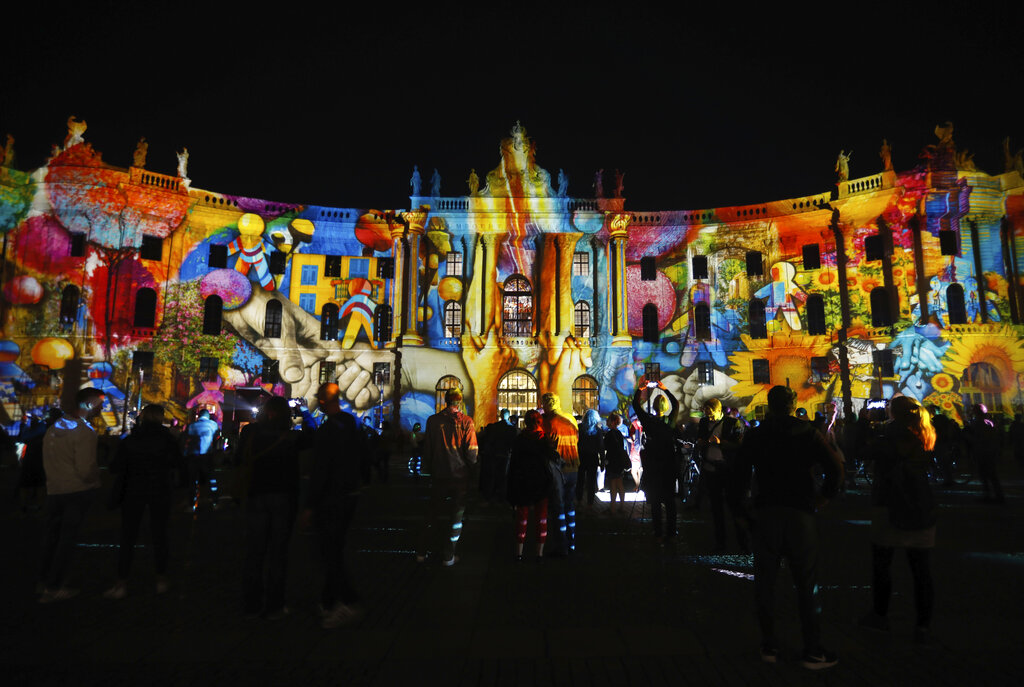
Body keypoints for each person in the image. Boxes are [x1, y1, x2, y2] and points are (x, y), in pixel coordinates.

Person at [733, 385, 843, 670]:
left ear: (769, 405)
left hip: (767, 511)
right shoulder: (808, 433)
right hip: (800, 511)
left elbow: (739, 475)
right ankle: (813, 649)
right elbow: (834, 468)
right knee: (807, 584)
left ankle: (769, 644)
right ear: (793, 404)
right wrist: (824, 497)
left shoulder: (757, 435)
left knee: (765, 583)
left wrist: (742, 512)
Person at [859, 396, 938, 644]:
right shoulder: (926, 432)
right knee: (921, 570)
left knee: (882, 564)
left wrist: (865, 424)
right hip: (920, 505)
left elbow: (862, 451)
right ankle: (923, 624)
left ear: (894, 413)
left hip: (889, 503)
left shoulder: (890, 436)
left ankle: (880, 615)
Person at [238, 396, 312, 619]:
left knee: (254, 552)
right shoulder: (292, 437)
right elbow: (313, 435)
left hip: (256, 494)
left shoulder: (250, 432)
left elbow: (239, 459)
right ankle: (275, 605)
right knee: (278, 554)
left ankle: (251, 604)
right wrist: (305, 411)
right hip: (284, 496)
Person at [302, 383, 365, 628]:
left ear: (324, 401)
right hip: (350, 494)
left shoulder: (328, 431)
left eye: (319, 397)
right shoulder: (351, 423)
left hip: (331, 498)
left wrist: (309, 505)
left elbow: (320, 471)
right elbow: (364, 454)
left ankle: (348, 602)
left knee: (330, 553)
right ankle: (328, 601)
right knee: (334, 550)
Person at [103, 404, 182, 600]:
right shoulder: (168, 441)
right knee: (160, 535)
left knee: (128, 536)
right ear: (161, 418)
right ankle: (161, 580)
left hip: (133, 490)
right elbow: (178, 463)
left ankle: (121, 583)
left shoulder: (131, 439)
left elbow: (115, 466)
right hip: (159, 490)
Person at [38, 388, 105, 602]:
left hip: (54, 489)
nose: (102, 407)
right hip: (76, 491)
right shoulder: (84, 432)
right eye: (100, 403)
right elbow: (86, 469)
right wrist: (94, 480)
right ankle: (54, 586)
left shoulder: (54, 428)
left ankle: (45, 581)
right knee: (66, 541)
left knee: (52, 538)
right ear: (89, 404)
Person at [417, 388, 478, 566]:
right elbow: (472, 452)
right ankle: (448, 554)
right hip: (459, 475)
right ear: (459, 402)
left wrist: (426, 471)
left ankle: (422, 551)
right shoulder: (466, 422)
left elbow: (427, 449)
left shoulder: (433, 421)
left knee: (432, 512)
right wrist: (472, 469)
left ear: (446, 400)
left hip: (438, 474)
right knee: (456, 516)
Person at [696, 398, 747, 551]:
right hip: (711, 470)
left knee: (735, 507)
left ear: (719, 411)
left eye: (711, 414)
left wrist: (720, 443)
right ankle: (720, 543)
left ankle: (743, 542)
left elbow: (739, 446)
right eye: (706, 414)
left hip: (728, 470)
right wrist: (701, 443)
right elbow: (701, 437)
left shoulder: (733, 423)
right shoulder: (704, 423)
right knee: (716, 508)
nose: (709, 417)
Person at [633, 377, 680, 542]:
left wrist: (640, 389)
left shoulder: (649, 421)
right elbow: (676, 404)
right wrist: (665, 388)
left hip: (653, 465)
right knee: (669, 501)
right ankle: (672, 531)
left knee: (655, 500)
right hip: (668, 464)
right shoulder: (670, 421)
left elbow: (635, 406)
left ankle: (658, 531)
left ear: (653, 406)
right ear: (665, 407)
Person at [507, 410, 554, 561]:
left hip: (522, 481)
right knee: (542, 518)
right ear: (540, 423)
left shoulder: (520, 439)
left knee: (522, 517)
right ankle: (539, 553)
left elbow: (513, 463)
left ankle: (519, 552)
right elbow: (552, 459)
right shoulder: (544, 439)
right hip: (541, 481)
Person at [542, 393, 579, 554]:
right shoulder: (570, 419)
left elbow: (545, 446)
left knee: (558, 507)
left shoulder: (549, 422)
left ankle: (561, 545)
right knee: (570, 506)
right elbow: (577, 439)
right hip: (574, 467)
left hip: (559, 470)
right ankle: (572, 542)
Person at [966, 403, 1005, 503]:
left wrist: (968, 437)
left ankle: (990, 495)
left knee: (985, 475)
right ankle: (997, 494)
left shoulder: (978, 423)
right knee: (992, 475)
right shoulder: (989, 422)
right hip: (990, 451)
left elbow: (979, 439)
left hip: (982, 452)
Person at [479, 408, 516, 504]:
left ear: (500, 415)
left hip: (495, 455)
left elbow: (489, 440)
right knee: (504, 477)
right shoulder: (512, 428)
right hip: (506, 455)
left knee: (493, 476)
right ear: (508, 415)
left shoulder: (495, 427)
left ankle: (491, 496)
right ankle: (502, 497)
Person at [185, 409, 220, 509]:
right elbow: (216, 438)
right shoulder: (213, 425)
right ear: (208, 416)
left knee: (193, 480)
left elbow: (186, 441)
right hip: (207, 455)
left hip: (193, 456)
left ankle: (191, 504)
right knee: (211, 479)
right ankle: (215, 502)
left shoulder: (191, 426)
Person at [603, 413, 630, 515]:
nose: (607, 422)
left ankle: (613, 507)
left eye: (609, 420)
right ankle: (622, 506)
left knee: (612, 484)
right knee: (620, 483)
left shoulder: (609, 434)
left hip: (612, 461)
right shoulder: (619, 433)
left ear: (613, 422)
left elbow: (605, 447)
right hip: (619, 462)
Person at [576, 409, 604, 508]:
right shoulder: (598, 431)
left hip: (581, 456)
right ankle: (590, 504)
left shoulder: (579, 428)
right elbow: (601, 447)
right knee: (591, 482)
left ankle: (579, 501)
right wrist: (602, 462)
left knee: (580, 480)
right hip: (593, 458)